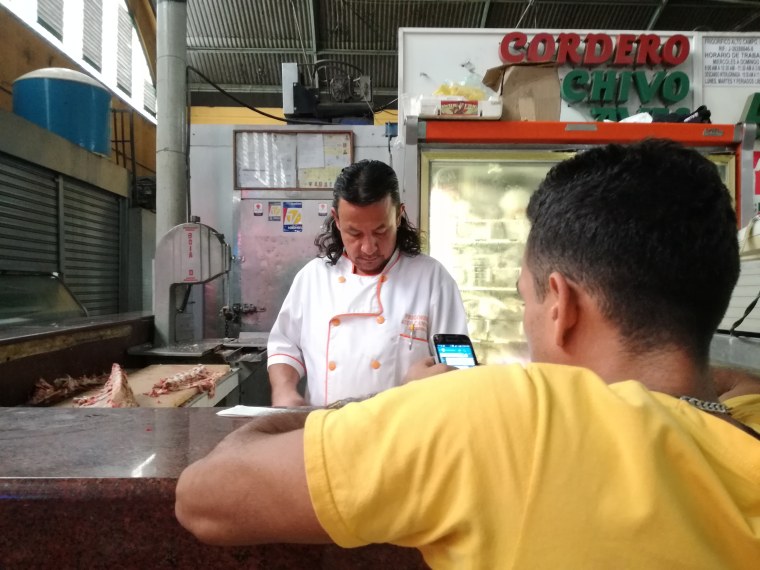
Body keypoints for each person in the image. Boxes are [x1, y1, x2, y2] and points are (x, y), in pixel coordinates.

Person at [176, 139, 760, 567]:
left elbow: (204, 496)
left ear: (563, 306)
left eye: (524, 297)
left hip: (356, 446)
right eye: (354, 234)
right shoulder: (745, 419)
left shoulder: (496, 421)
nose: (367, 243)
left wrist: (408, 405)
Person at [266, 159, 468, 407]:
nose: (368, 247)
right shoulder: (312, 279)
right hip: (328, 432)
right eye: (355, 233)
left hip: (401, 435)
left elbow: (459, 368)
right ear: (336, 220)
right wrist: (284, 391)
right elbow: (284, 346)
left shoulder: (432, 279)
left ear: (399, 216)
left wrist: (431, 385)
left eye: (381, 231)